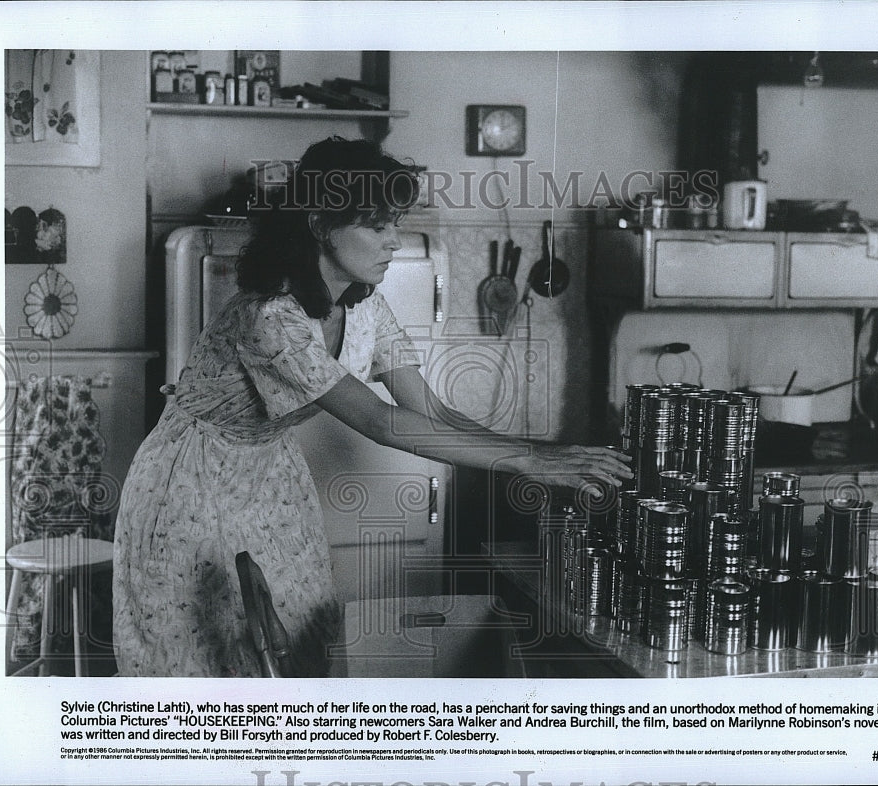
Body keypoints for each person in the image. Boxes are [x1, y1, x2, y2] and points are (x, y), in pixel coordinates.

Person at [112, 137, 631, 677]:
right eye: (376, 226)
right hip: (189, 479)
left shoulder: (366, 306)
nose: (393, 242)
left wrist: (544, 454)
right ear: (319, 224)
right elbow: (380, 421)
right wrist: (529, 463)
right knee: (201, 657)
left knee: (303, 636)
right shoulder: (269, 317)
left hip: (268, 474)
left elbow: (430, 408)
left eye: (394, 224)